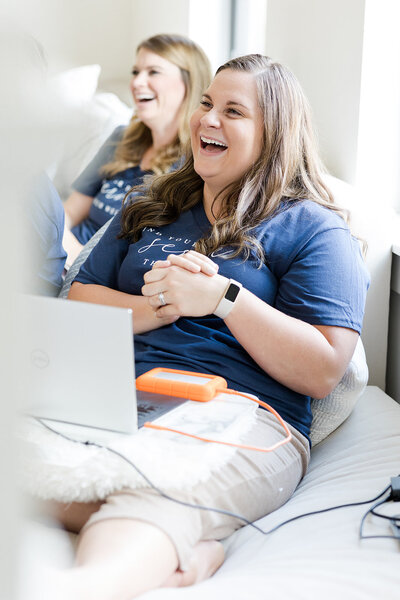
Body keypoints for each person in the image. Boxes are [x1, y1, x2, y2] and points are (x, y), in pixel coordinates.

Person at [50, 54, 369, 599]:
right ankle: (192, 558)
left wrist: (223, 298)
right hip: (121, 397)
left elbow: (322, 369)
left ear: (274, 135)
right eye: (205, 104)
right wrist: (161, 306)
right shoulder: (151, 203)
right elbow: (80, 297)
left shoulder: (314, 228)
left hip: (238, 416)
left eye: (233, 111)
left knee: (150, 494)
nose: (207, 120)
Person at [62, 33, 212, 268]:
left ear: (189, 83)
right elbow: (68, 212)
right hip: (63, 255)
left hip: (92, 273)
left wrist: (77, 261)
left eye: (153, 72)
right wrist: (62, 247)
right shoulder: (121, 138)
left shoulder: (194, 164)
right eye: (135, 72)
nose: (137, 82)